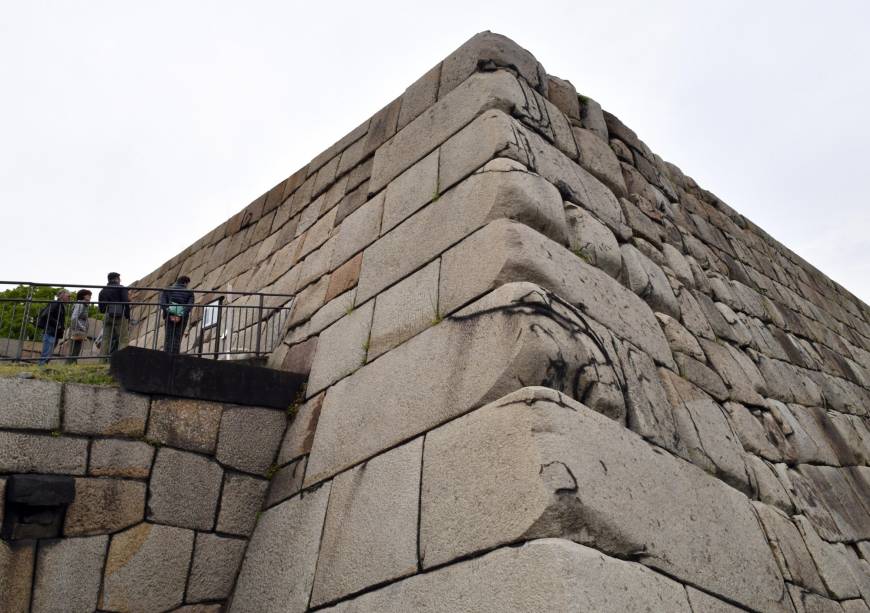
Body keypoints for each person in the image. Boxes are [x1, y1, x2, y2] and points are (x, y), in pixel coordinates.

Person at [98, 272, 130, 359]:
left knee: (105, 339)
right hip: (119, 315)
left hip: (107, 315)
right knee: (123, 339)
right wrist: (127, 315)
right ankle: (121, 361)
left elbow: (101, 308)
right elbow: (126, 301)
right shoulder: (121, 288)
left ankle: (102, 360)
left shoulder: (102, 291)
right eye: (119, 278)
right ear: (116, 279)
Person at [160, 275, 194, 354]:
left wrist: (170, 313)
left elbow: (163, 304)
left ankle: (166, 354)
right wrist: (180, 315)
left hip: (169, 316)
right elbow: (189, 306)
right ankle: (175, 355)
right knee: (178, 337)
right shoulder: (189, 292)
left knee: (169, 336)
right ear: (186, 283)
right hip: (182, 318)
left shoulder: (167, 290)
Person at [37, 289, 70, 365]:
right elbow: (46, 314)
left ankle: (43, 368)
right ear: (62, 295)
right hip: (50, 332)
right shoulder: (56, 303)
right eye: (68, 296)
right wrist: (58, 324)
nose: (69, 298)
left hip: (54, 333)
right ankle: (41, 368)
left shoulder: (61, 305)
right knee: (46, 353)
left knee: (48, 354)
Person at [66, 289, 92, 364]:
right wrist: (82, 327)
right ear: (83, 296)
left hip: (80, 330)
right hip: (77, 330)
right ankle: (69, 364)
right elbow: (74, 317)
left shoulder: (84, 305)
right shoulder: (80, 304)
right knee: (74, 349)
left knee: (77, 349)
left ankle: (73, 363)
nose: (90, 297)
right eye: (89, 295)